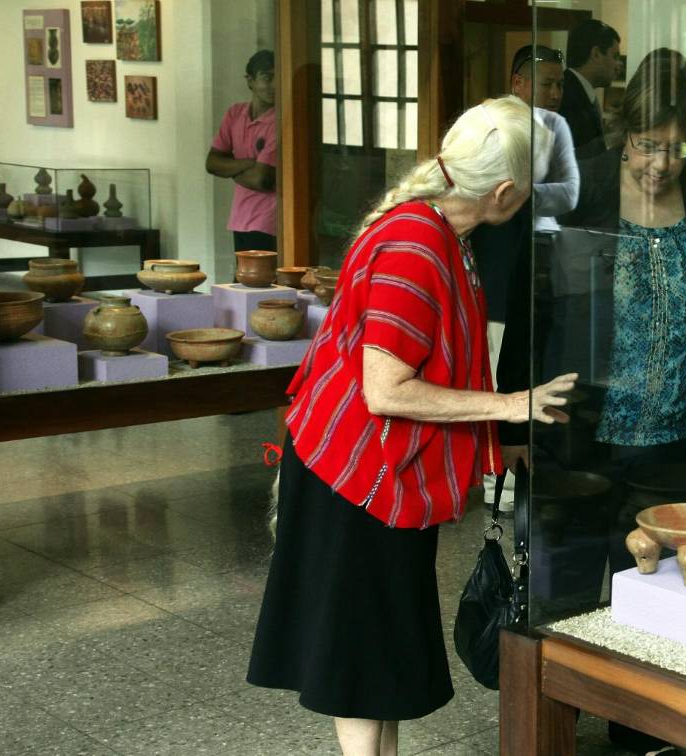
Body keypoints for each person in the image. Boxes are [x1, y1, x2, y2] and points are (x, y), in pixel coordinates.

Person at [246, 95, 576, 756]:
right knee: (362, 663)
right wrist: (511, 406)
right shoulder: (418, 243)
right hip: (354, 479)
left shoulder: (434, 224)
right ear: (506, 192)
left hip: (366, 473)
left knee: (378, 661)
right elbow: (385, 390)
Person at [557, 48, 686, 751]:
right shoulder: (581, 188)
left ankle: (637, 721)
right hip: (588, 421)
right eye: (649, 145)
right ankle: (559, 704)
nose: (662, 163)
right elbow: (541, 304)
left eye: (678, 148)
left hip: (678, 422)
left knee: (664, 575)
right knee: (581, 567)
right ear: (625, 132)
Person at [474, 44, 581, 510]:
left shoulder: (559, 131)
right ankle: (494, 478)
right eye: (546, 83)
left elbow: (571, 194)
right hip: (498, 269)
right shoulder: (495, 131)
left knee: (528, 364)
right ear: (518, 84)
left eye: (560, 84)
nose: (555, 93)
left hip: (546, 266)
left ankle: (518, 471)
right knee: (497, 368)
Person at [206, 50, 278, 251]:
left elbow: (262, 180)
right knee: (243, 279)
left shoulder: (280, 120)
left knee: (259, 279)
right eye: (267, 78)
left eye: (278, 78)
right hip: (240, 216)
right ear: (250, 81)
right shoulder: (235, 113)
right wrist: (249, 164)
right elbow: (211, 163)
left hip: (269, 219)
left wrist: (231, 169)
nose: (274, 85)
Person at [560, 18, 622, 159]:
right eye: (615, 56)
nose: (619, 65)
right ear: (596, 54)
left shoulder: (577, 92)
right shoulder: (567, 97)